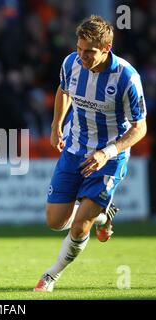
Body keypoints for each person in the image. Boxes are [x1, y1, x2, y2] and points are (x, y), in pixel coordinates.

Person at [35, 15, 147, 292]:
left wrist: (107, 153)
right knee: (54, 222)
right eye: (79, 48)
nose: (82, 56)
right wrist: (56, 124)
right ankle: (103, 214)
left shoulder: (127, 78)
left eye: (89, 52)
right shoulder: (71, 62)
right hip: (74, 149)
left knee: (79, 225)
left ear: (106, 49)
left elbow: (140, 128)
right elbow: (64, 90)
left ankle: (51, 276)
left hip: (108, 158)